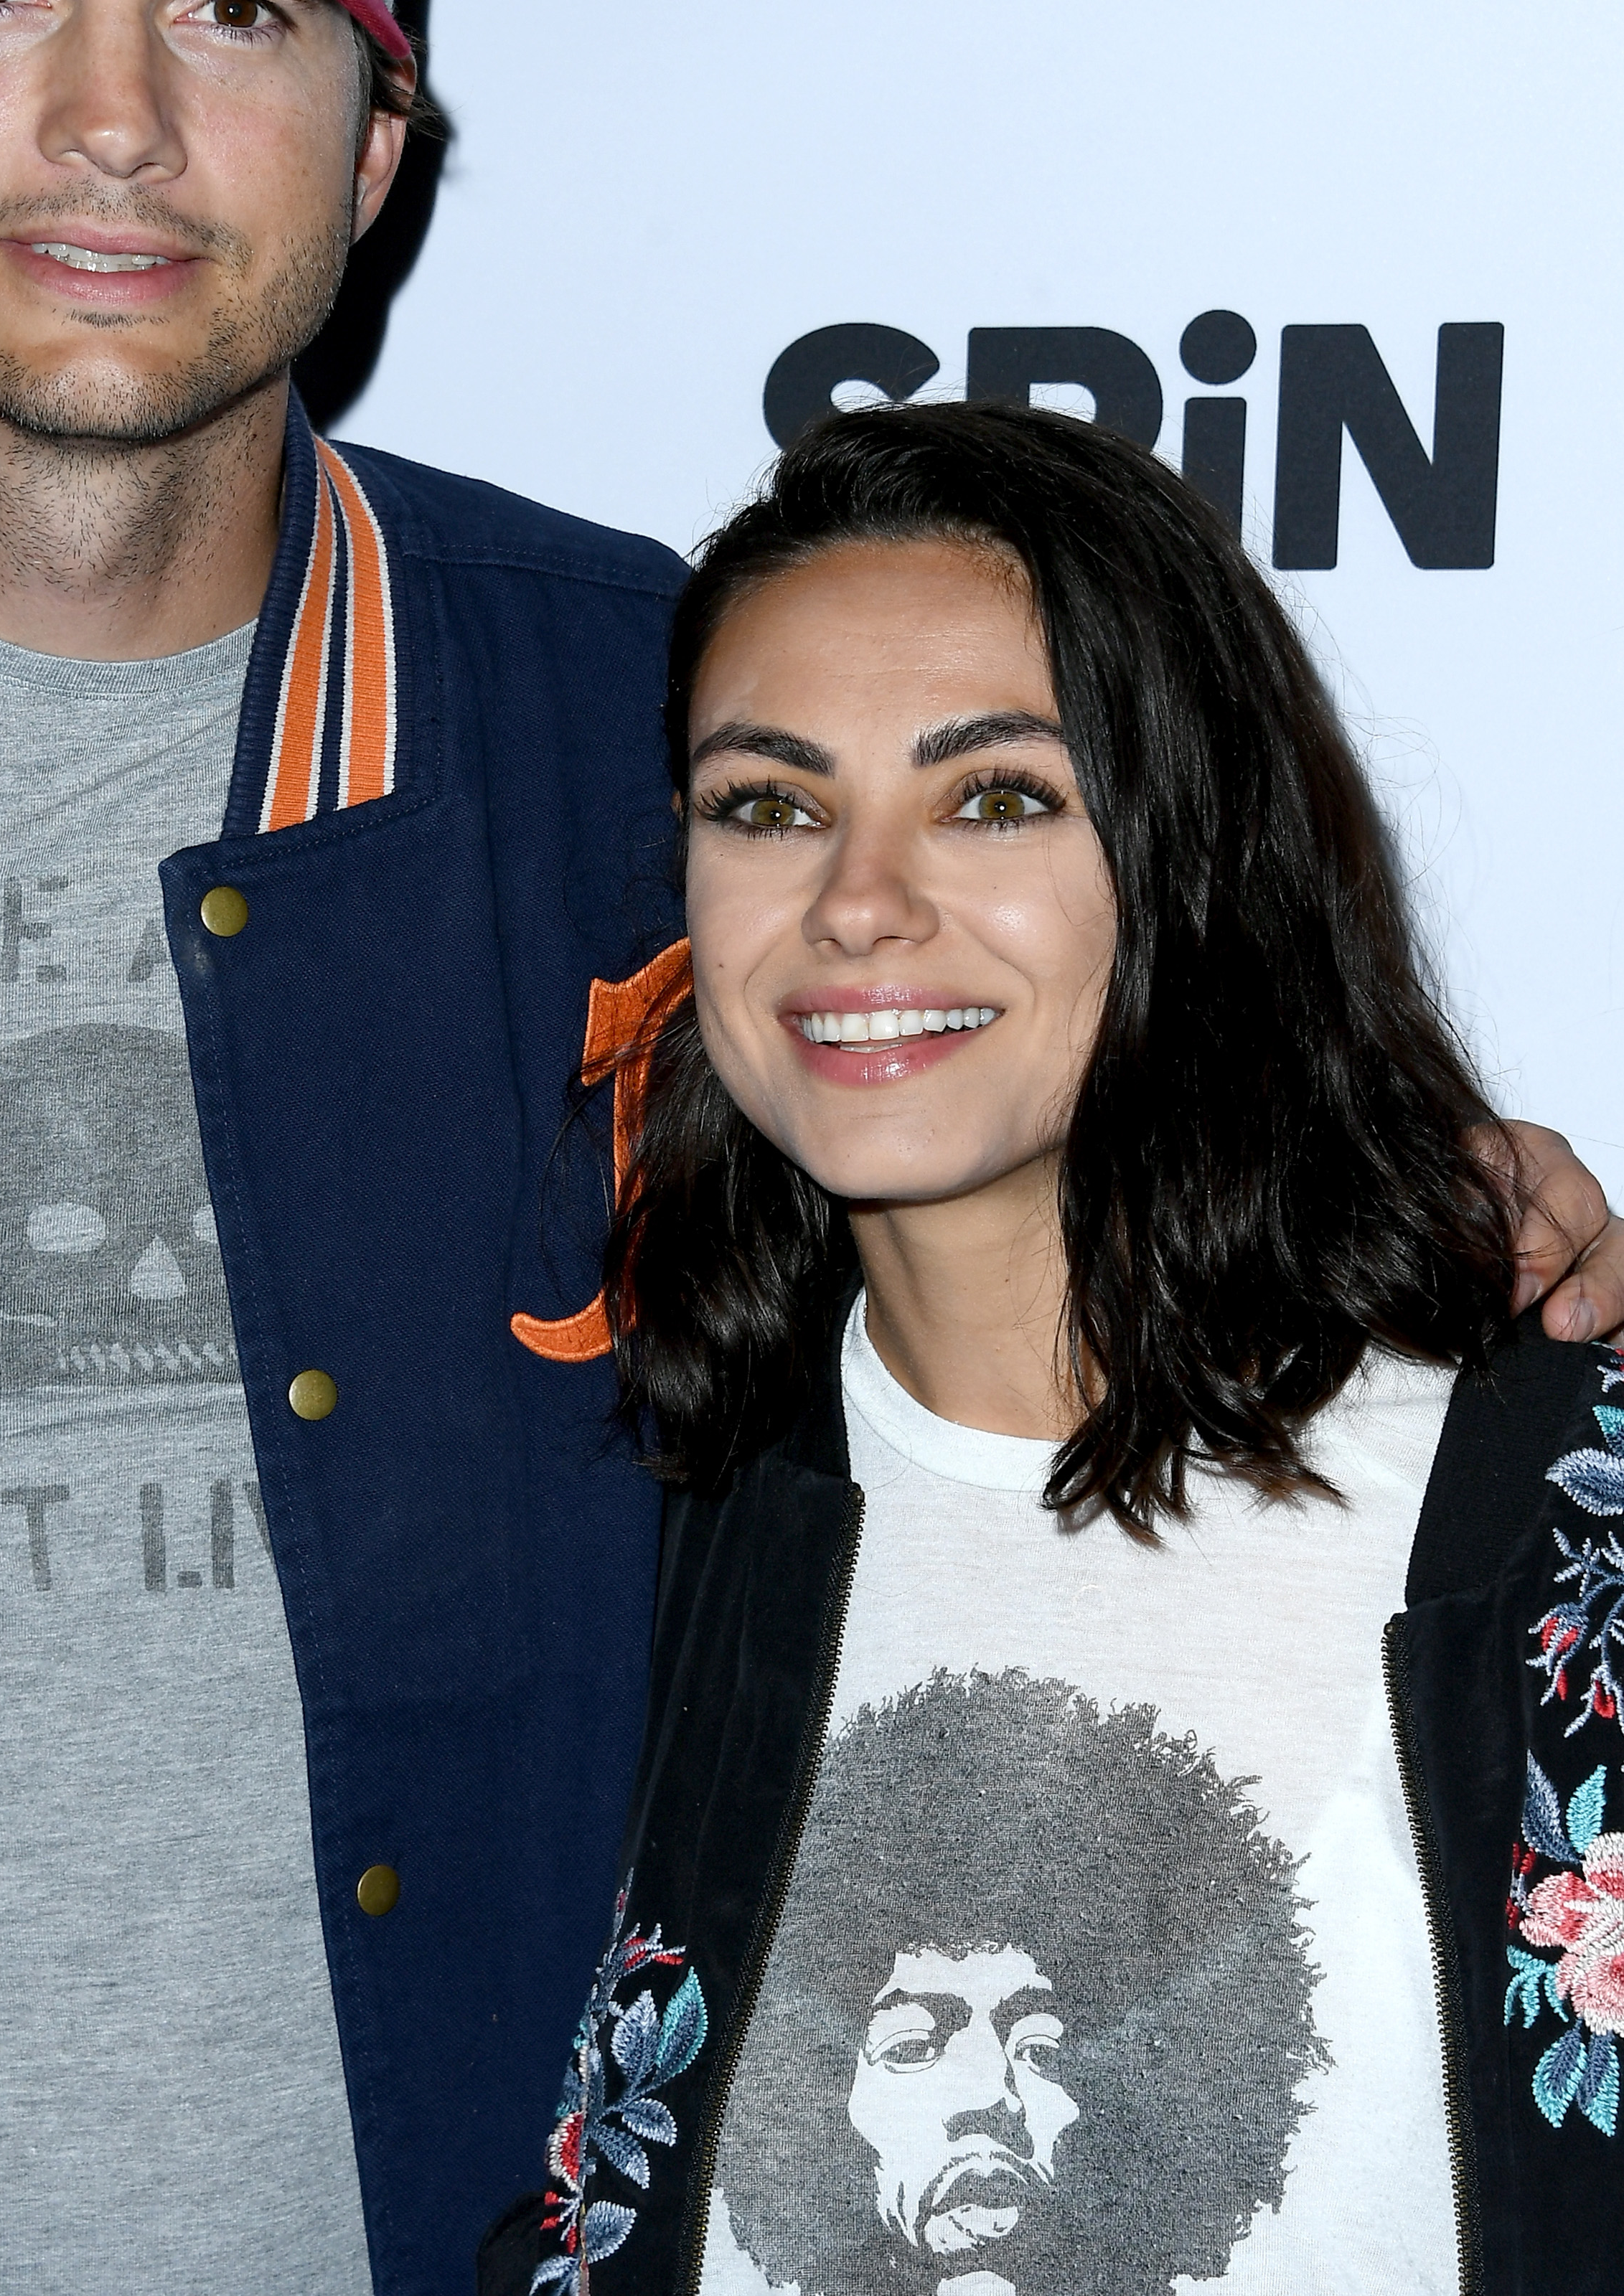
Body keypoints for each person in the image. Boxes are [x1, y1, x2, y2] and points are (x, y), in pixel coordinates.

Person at [0, 0, 1611, 2296]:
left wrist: (1467, 1222)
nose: (115, 122)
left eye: (232, 14)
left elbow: (1077, 1057)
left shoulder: (646, 737)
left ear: (374, 149)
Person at [482, 403, 1624, 2296]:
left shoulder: (1555, 1512)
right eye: (767, 803)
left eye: (992, 796)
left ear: (1188, 853)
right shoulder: (646, 1515)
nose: (856, 904)